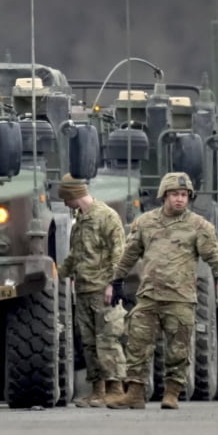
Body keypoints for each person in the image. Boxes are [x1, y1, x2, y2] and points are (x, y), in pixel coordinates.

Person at [102, 172, 218, 410]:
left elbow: (214, 258)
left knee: (178, 349)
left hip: (180, 298)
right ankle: (134, 393)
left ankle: (172, 393)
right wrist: (116, 281)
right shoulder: (145, 223)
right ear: (164, 196)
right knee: (137, 345)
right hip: (149, 297)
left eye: (184, 195)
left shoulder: (199, 226)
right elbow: (129, 254)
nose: (180, 199)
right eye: (175, 194)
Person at [56, 174, 127, 408]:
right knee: (89, 344)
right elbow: (75, 256)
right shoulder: (80, 220)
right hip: (85, 290)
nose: (65, 203)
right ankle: (98, 390)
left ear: (74, 195)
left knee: (108, 341)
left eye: (66, 198)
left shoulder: (106, 216)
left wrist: (113, 285)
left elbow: (120, 253)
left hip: (102, 290)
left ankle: (116, 388)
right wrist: (57, 274)